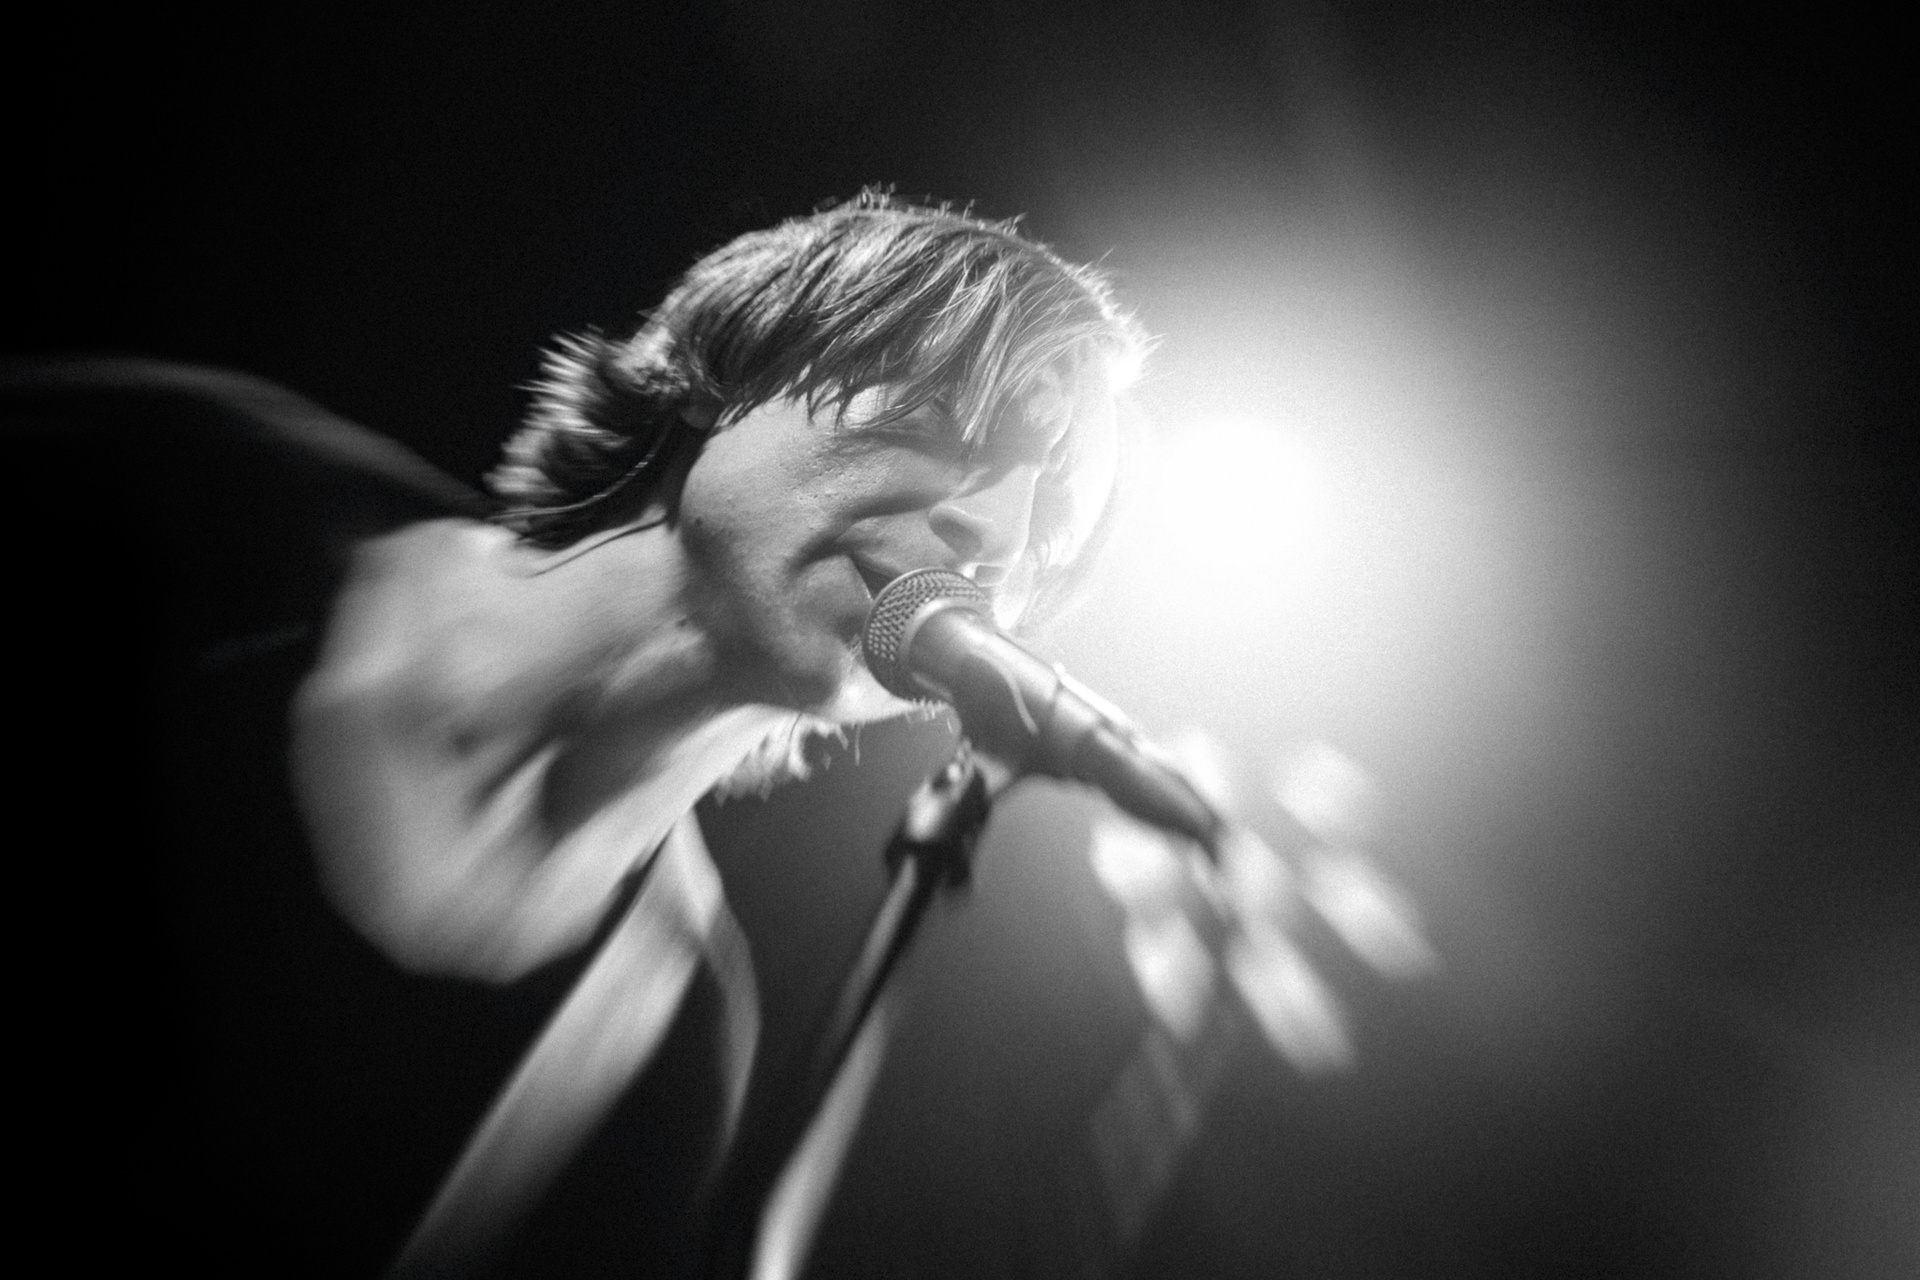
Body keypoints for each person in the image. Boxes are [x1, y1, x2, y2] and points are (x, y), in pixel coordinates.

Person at [277, 191, 1145, 1274]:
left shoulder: (668, 1065)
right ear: (724, 373)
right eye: (966, 425)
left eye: (1048, 526)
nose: (997, 535)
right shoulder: (207, 497)